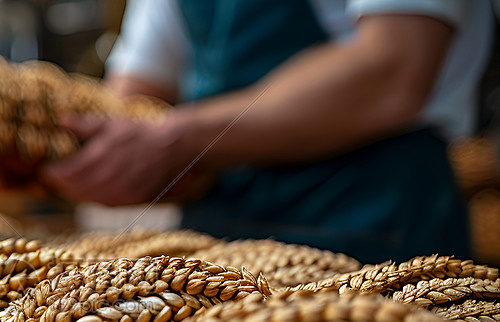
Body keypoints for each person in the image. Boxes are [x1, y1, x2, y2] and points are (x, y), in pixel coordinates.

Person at [41, 0, 495, 263]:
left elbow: (395, 66)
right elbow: (135, 97)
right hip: (220, 232)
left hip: (372, 219)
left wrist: (175, 139)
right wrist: (53, 161)